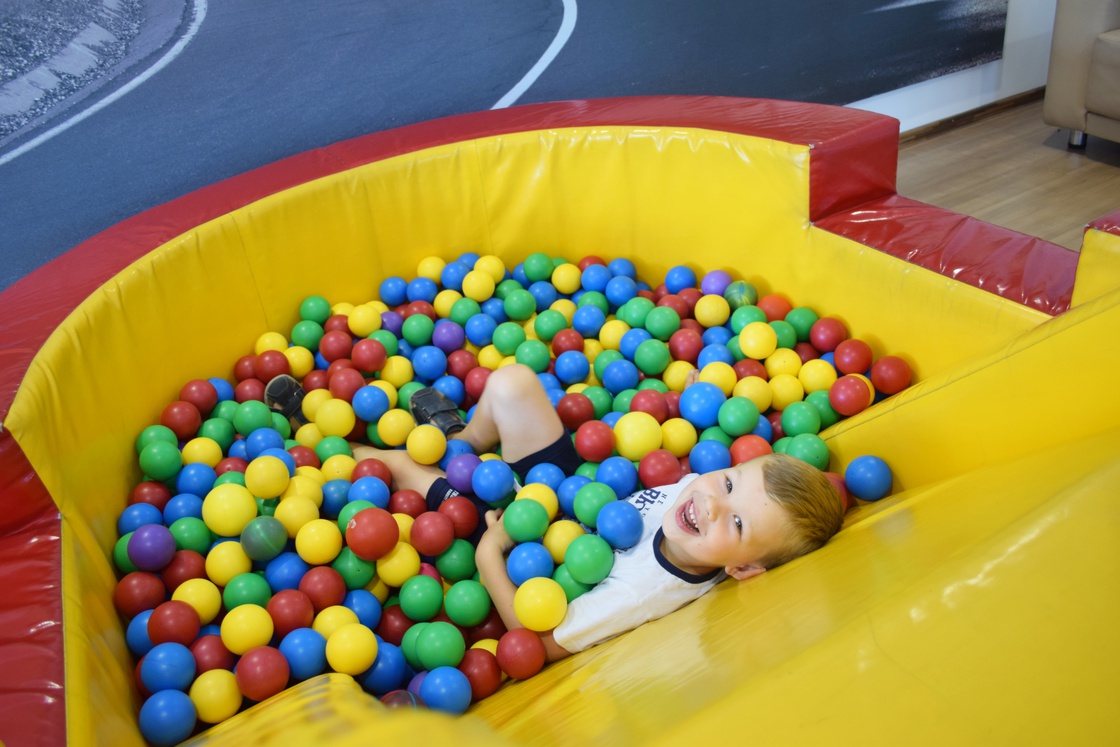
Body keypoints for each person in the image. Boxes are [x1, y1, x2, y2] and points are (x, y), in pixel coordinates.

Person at [345, 364, 844, 663]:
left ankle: (335, 445)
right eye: (729, 483)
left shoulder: (639, 593)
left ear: (744, 568)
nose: (712, 503)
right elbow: (698, 480)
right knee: (513, 382)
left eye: (736, 523)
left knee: (398, 464)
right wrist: (687, 400)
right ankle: (463, 439)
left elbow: (541, 641)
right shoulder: (702, 496)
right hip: (565, 490)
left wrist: (489, 553)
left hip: (517, 540)